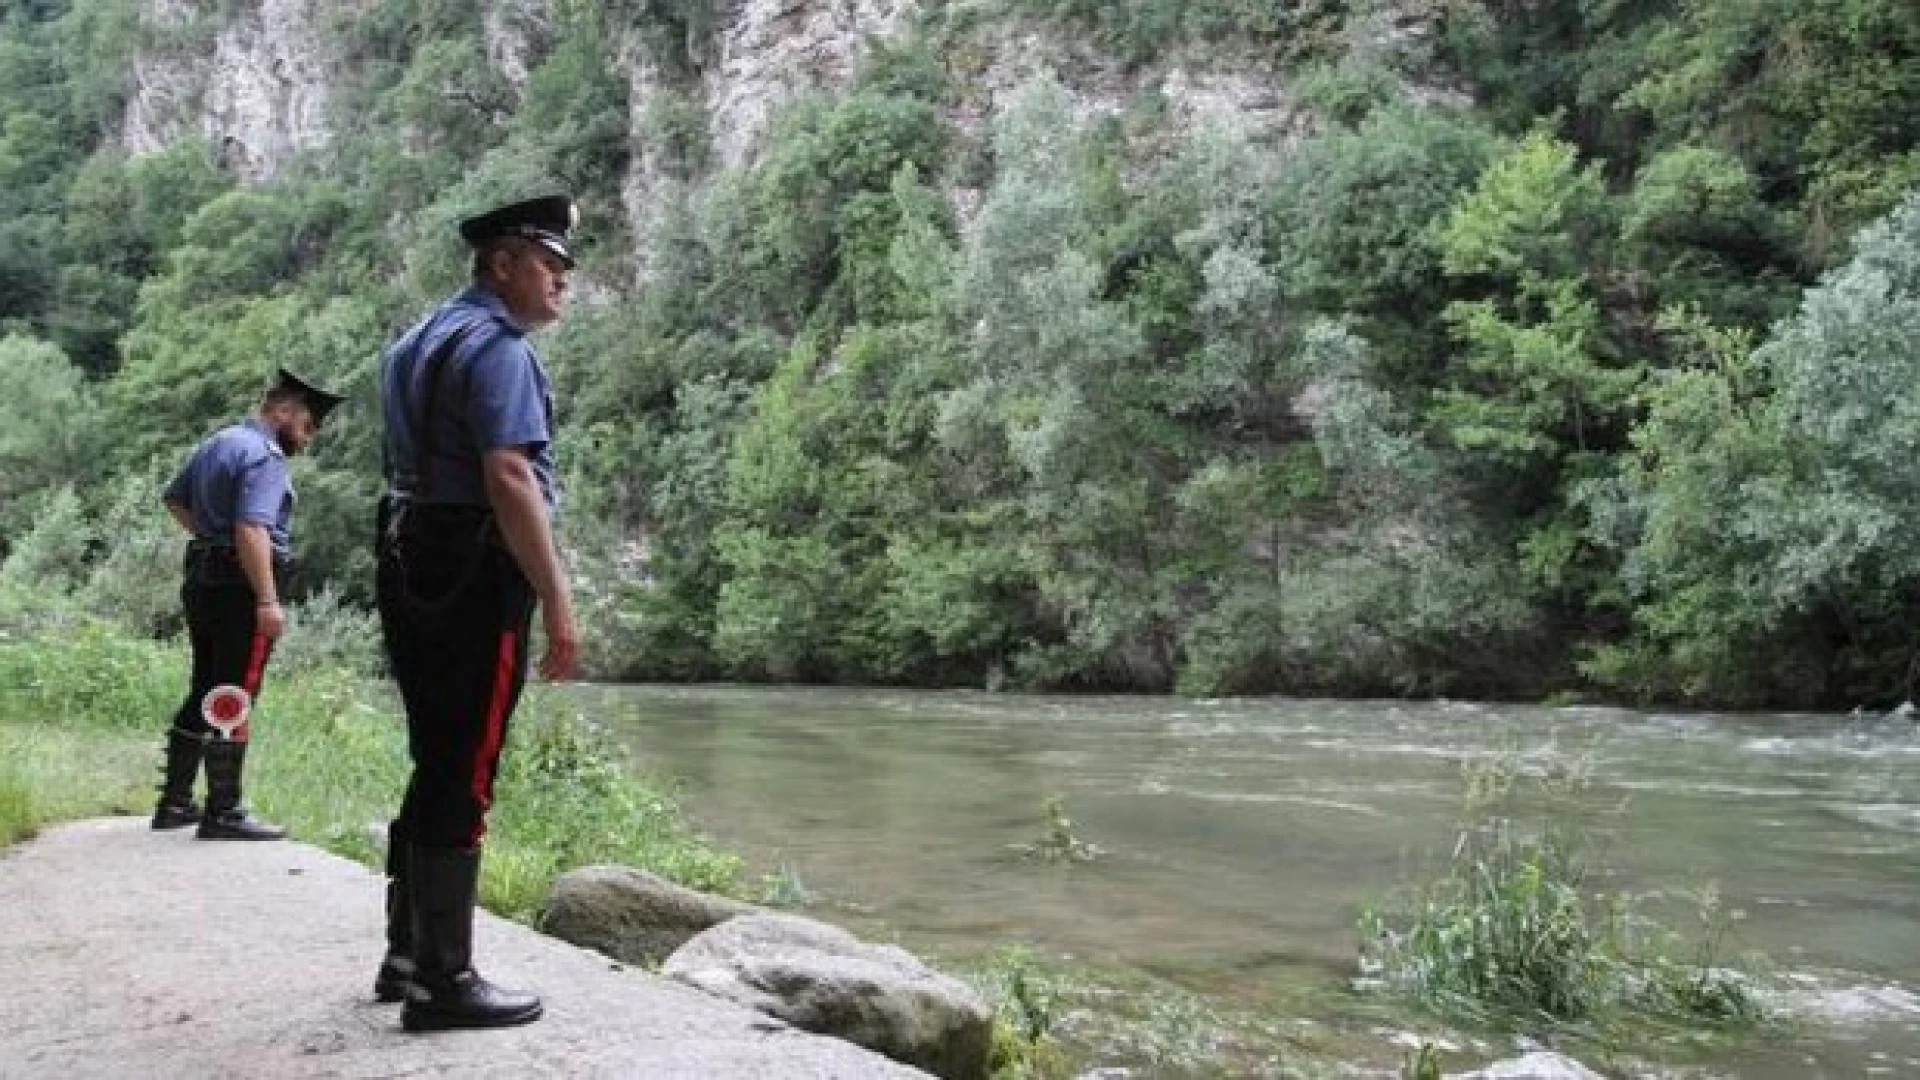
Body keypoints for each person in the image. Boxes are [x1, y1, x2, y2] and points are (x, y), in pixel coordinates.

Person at [372, 194, 581, 1032]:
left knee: (436, 752)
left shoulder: (415, 342)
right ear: (503, 264)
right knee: (468, 765)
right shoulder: (499, 351)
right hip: (474, 570)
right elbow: (510, 478)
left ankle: (405, 957)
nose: (562, 283)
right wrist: (560, 603)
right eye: (549, 265)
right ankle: (443, 981)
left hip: (409, 556)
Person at [155, 368, 344, 841]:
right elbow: (252, 529)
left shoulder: (220, 442)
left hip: (202, 577)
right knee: (236, 693)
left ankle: (175, 802)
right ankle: (224, 811)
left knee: (205, 683)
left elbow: (175, 500)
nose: (307, 439)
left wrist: (210, 539)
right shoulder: (264, 456)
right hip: (242, 587)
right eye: (306, 427)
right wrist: (267, 598)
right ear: (283, 411)